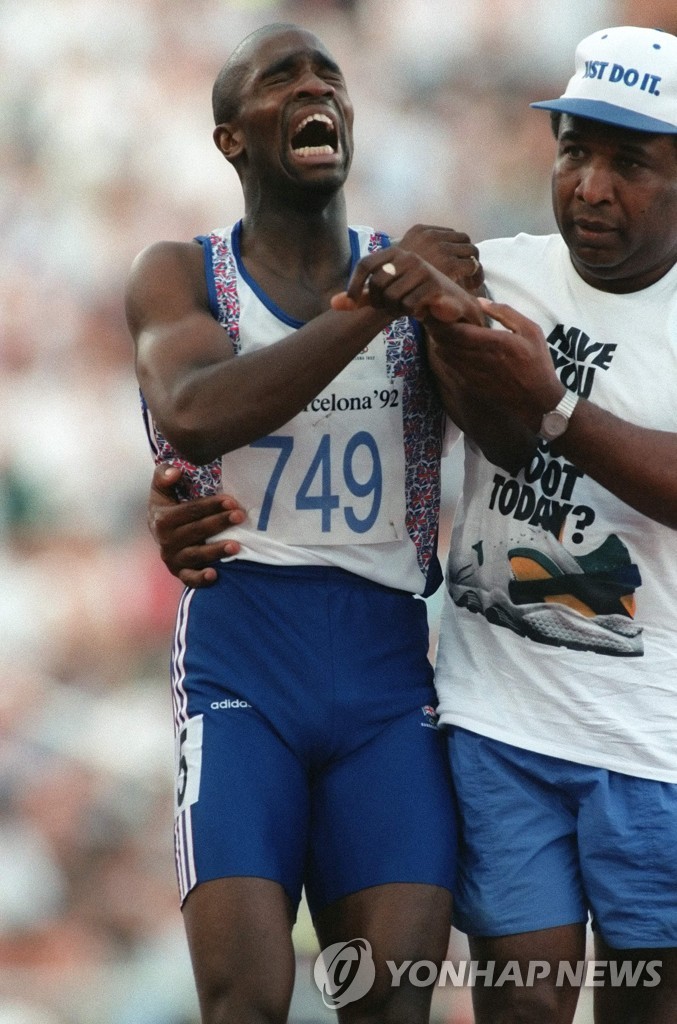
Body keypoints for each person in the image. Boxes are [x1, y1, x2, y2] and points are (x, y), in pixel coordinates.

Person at [151, 23, 677, 1024]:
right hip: (467, 713)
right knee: (306, 1002)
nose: (591, 186)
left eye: (628, 162)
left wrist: (552, 406)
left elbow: (521, 437)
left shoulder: (456, 283)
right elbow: (211, 412)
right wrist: (169, 496)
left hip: (601, 727)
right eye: (573, 151)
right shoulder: (471, 278)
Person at [127, 22, 490, 1024]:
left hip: (386, 664)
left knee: (388, 1005)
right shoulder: (181, 272)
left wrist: (448, 307)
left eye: (325, 72)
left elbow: (506, 435)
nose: (309, 84)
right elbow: (195, 411)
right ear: (231, 138)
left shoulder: (414, 273)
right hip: (244, 658)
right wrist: (373, 307)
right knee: (246, 999)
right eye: (277, 75)